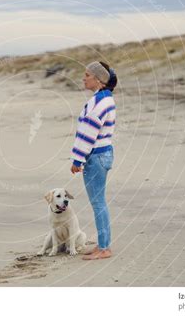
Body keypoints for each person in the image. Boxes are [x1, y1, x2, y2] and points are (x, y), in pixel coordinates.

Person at [70, 61, 117, 260]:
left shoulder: (99, 103)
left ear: (98, 79)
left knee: (98, 203)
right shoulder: (105, 99)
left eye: (87, 75)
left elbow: (88, 134)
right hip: (102, 154)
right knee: (99, 202)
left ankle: (104, 248)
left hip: (96, 156)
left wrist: (77, 160)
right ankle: (102, 245)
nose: (84, 78)